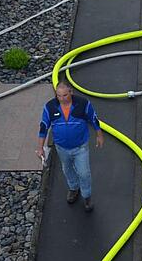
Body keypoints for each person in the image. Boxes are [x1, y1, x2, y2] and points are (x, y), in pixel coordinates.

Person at [36, 81, 104, 212]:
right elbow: (44, 126)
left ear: (71, 92)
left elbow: (93, 118)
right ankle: (73, 188)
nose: (61, 99)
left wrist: (99, 135)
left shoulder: (83, 104)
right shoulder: (49, 107)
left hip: (80, 147)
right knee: (67, 170)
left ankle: (87, 196)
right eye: (59, 96)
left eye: (65, 95)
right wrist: (40, 147)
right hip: (62, 148)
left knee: (84, 173)